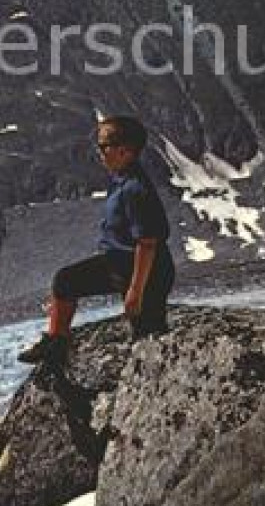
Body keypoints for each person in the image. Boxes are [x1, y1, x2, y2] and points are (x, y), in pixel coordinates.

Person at [18, 115, 176, 367]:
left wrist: (136, 290)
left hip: (146, 271)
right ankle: (56, 340)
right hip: (120, 264)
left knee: (147, 335)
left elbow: (147, 243)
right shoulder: (122, 180)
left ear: (124, 151)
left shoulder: (136, 189)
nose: (99, 152)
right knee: (65, 281)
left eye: (104, 146)